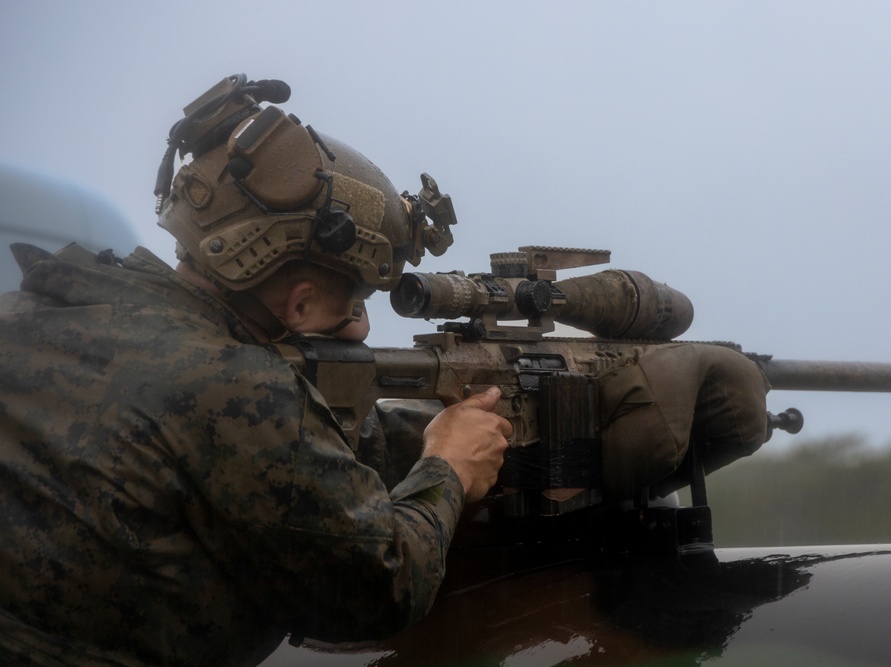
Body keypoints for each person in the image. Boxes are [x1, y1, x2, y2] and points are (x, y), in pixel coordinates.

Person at [0, 75, 511, 665]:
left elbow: (282, 460)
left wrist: (425, 428)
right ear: (299, 304)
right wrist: (447, 466)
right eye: (355, 301)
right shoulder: (236, 385)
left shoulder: (38, 308)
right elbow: (379, 588)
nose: (362, 326)